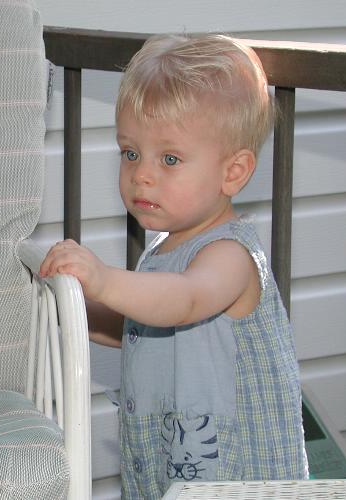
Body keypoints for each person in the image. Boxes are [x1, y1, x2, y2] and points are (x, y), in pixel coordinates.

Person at [40, 33, 308, 498]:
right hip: (168, 469)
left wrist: (104, 278)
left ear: (233, 172)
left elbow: (184, 301)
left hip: (236, 481)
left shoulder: (230, 255)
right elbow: (140, 324)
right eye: (131, 153)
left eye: (169, 158)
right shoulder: (164, 250)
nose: (142, 174)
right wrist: (71, 306)